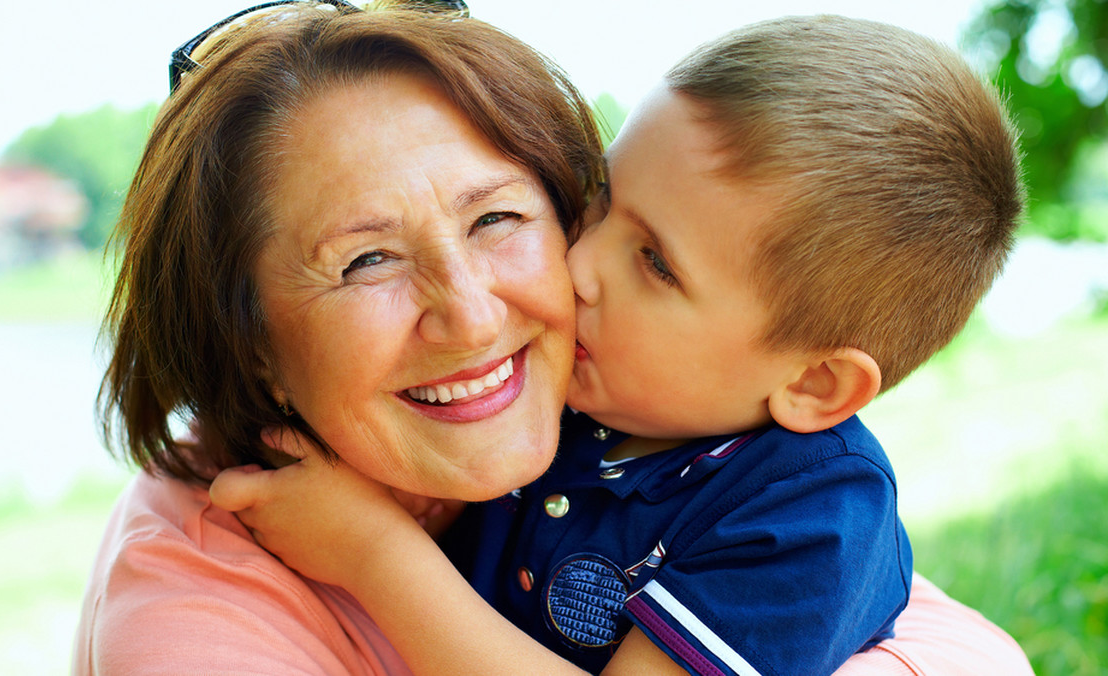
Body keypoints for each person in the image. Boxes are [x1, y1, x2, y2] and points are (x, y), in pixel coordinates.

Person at [209, 14, 1030, 676]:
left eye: (655, 264)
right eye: (601, 197)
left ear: (814, 385)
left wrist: (377, 554)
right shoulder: (588, 397)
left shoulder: (810, 520)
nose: (579, 264)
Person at [73, 3, 602, 673]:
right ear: (250, 342)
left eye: (495, 217)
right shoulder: (195, 632)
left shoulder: (662, 423)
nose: (473, 318)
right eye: (367, 262)